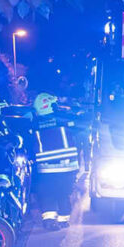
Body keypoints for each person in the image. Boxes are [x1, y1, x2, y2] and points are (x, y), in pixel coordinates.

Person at [31, 92, 80, 229]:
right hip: (66, 166)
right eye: (54, 104)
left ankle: (48, 221)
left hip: (45, 168)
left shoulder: (35, 124)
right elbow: (79, 126)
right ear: (49, 105)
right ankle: (63, 220)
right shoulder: (62, 120)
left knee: (48, 194)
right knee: (63, 194)